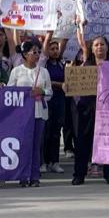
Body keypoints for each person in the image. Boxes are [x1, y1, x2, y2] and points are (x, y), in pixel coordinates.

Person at [71, 31, 109, 186]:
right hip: (87, 108)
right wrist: (80, 25)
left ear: (107, 47)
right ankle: (79, 174)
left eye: (102, 44)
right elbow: (82, 41)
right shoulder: (86, 62)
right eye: (96, 45)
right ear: (92, 48)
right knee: (83, 141)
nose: (99, 47)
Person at [6, 40, 52, 187]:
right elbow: (10, 91)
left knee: (36, 145)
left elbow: (50, 92)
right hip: (22, 115)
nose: (37, 55)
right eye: (34, 52)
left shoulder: (44, 71)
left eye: (39, 52)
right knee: (24, 145)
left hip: (39, 112)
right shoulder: (16, 71)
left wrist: (42, 91)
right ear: (25, 54)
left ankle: (34, 176)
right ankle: (23, 175)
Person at [41, 37, 66, 175]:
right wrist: (59, 85)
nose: (55, 51)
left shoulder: (62, 64)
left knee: (57, 131)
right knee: (47, 131)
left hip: (60, 100)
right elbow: (47, 81)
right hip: (48, 100)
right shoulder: (44, 65)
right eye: (52, 49)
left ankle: (55, 162)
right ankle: (44, 161)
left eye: (57, 49)